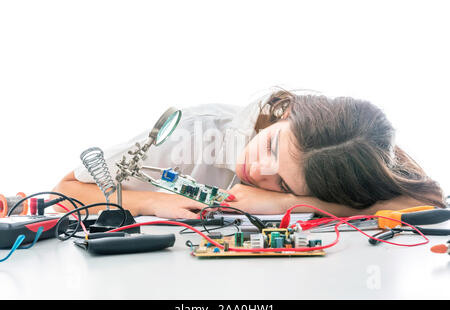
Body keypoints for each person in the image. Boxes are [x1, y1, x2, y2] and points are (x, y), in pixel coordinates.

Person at [52, 88, 446, 219]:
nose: (258, 170)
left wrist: (290, 202)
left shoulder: (336, 157)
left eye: (282, 179)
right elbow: (67, 189)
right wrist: (154, 202)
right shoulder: (192, 132)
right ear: (287, 113)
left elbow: (426, 203)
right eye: (272, 145)